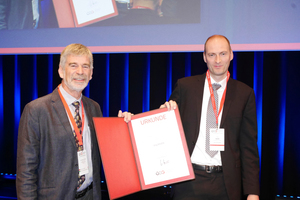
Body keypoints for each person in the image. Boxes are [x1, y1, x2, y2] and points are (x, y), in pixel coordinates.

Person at [16, 43, 131, 199]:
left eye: (85, 66)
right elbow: (25, 171)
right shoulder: (36, 110)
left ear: (91, 73)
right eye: (73, 65)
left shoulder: (94, 107)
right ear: (61, 71)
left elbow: (103, 152)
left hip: (90, 195)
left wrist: (120, 128)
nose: (80, 72)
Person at [161, 35, 260, 200]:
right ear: (204, 57)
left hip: (226, 184)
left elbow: (249, 146)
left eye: (222, 53)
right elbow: (166, 124)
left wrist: (253, 192)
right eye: (212, 54)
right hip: (189, 181)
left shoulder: (245, 93)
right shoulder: (186, 87)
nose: (218, 60)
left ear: (231, 55)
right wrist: (164, 112)